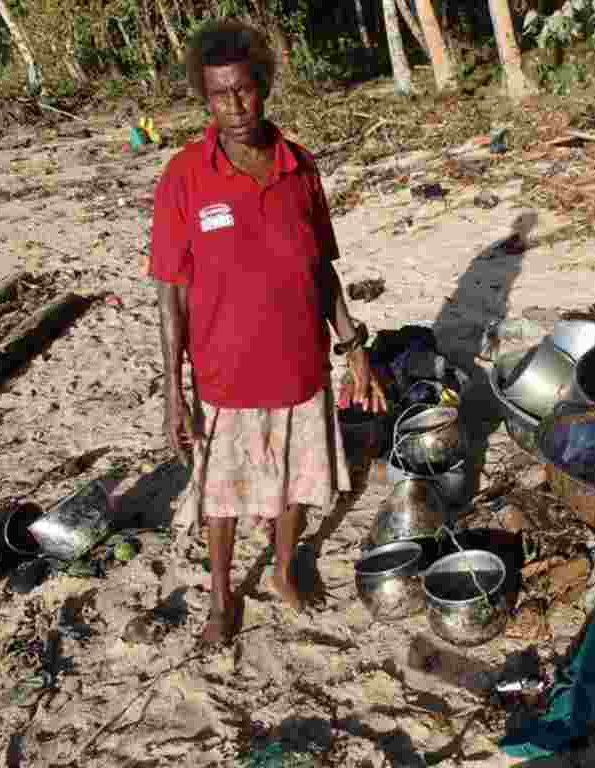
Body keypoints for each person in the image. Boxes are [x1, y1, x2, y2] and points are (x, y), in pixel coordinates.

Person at [148, 19, 386, 645]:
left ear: (264, 87)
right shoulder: (184, 176)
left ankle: (283, 570)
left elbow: (323, 267)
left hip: (302, 365)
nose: (234, 106)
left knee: (298, 483)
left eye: (244, 90)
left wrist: (353, 346)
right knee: (221, 499)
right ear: (205, 97)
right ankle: (222, 598)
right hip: (224, 375)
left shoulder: (298, 166)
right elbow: (171, 290)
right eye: (219, 94)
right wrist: (174, 389)